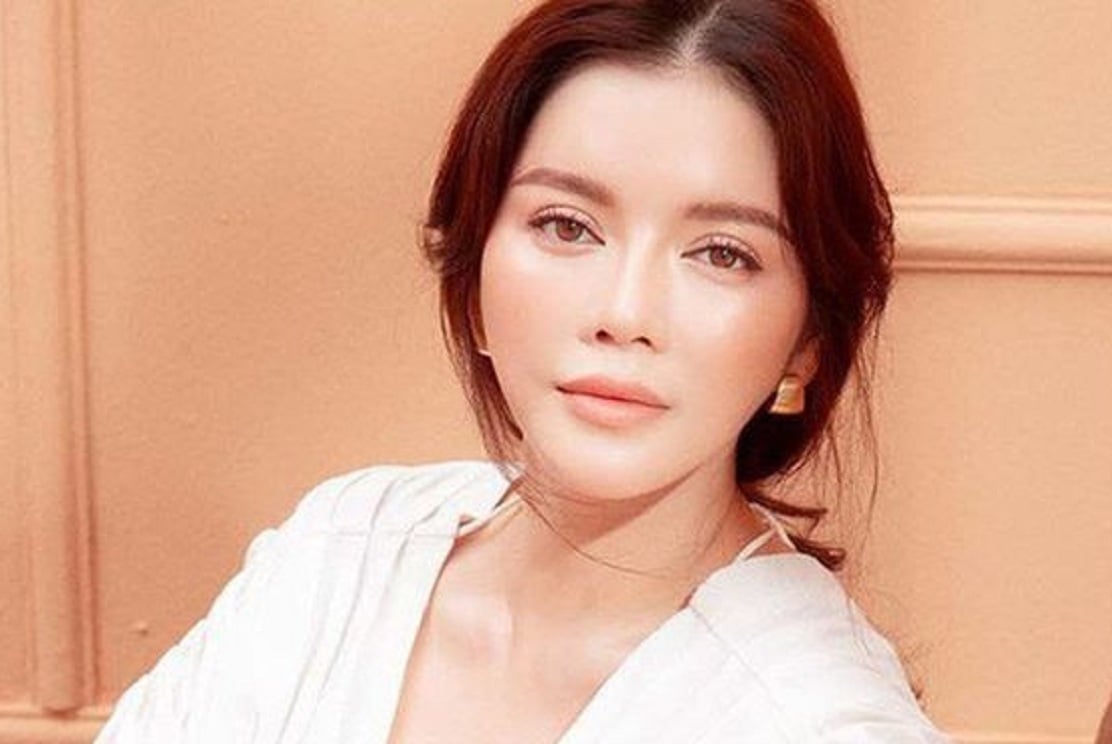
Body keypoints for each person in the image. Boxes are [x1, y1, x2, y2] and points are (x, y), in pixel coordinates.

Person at [97, 0, 950, 741]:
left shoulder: (818, 718)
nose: (625, 311)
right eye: (567, 226)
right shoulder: (335, 554)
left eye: (721, 253)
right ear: (472, 271)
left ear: (808, 338)